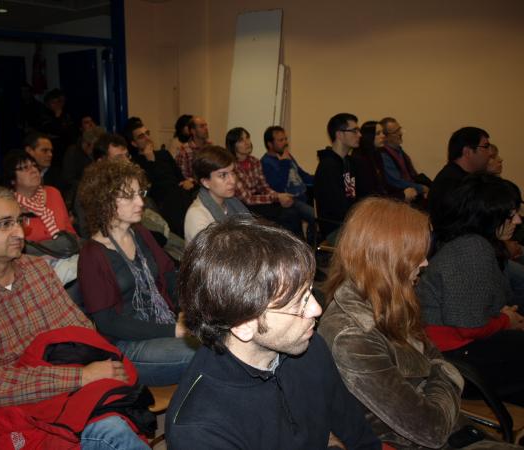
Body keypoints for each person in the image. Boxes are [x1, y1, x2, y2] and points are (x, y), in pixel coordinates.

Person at [0, 185, 149, 449]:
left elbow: (80, 332)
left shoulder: (36, 270)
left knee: (120, 410)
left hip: (56, 389)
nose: (19, 232)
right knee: (108, 430)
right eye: (5, 224)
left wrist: (87, 374)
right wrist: (80, 377)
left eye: (20, 221)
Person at [166, 215, 380, 449]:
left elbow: (358, 433)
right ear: (243, 325)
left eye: (309, 292)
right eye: (298, 302)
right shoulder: (199, 429)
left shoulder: (308, 346)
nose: (316, 309)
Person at [319, 197, 517, 449]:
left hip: (450, 427)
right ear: (387, 258)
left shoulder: (388, 301)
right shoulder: (351, 337)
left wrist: (439, 376)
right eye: (416, 254)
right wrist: (447, 377)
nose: (425, 263)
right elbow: (431, 430)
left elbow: (434, 357)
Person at [77, 159, 195, 386]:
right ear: (106, 201)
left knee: (216, 341)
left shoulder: (139, 233)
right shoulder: (92, 255)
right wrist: (174, 330)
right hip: (126, 345)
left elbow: (170, 277)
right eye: (129, 196)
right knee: (202, 354)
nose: (141, 202)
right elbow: (108, 323)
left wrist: (186, 311)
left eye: (140, 193)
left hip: (163, 327)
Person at [417, 174, 524, 406]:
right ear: (489, 216)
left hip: (453, 352)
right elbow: (468, 326)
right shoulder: (472, 250)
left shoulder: (468, 243)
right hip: (453, 361)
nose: (517, 220)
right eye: (511, 214)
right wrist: (506, 320)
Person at [225, 127, 302, 236]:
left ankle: (299, 247)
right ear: (233, 145)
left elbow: (264, 187)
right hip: (241, 206)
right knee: (286, 215)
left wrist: (279, 196)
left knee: (292, 211)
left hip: (257, 201)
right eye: (241, 140)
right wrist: (276, 197)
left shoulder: (254, 161)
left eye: (247, 138)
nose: (247, 142)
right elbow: (247, 199)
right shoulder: (231, 166)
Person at [124, 117, 193, 237]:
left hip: (179, 194)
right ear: (134, 143)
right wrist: (151, 161)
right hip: (161, 201)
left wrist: (188, 182)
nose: (147, 138)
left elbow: (179, 177)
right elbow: (152, 187)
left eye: (147, 133)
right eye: (141, 136)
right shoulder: (134, 163)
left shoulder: (164, 154)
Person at [3, 150, 76, 243]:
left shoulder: (53, 193)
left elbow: (69, 230)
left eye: (34, 165)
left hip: (65, 252)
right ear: (12, 179)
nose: (34, 170)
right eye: (25, 168)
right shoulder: (7, 204)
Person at [427, 126, 491, 229]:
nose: (490, 153)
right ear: (467, 152)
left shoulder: (463, 177)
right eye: (486, 146)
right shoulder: (453, 183)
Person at [261, 125, 316, 244]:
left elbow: (302, 174)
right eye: (281, 140)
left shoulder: (287, 156)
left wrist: (319, 179)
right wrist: (284, 163)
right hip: (291, 200)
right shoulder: (266, 162)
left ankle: (313, 243)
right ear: (270, 144)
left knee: (322, 213)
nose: (285, 143)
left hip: (303, 195)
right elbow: (277, 185)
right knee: (315, 216)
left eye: (285, 139)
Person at [184, 145, 248, 242]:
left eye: (233, 172)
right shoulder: (197, 216)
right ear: (205, 182)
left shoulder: (231, 202)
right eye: (223, 175)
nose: (232, 181)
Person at [314, 113, 359, 243]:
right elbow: (337, 208)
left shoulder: (348, 162)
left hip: (351, 224)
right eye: (354, 131)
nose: (359, 135)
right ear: (339, 134)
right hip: (336, 228)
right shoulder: (328, 167)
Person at [352, 121, 415, 201]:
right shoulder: (360, 160)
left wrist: (405, 191)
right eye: (378, 133)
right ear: (369, 137)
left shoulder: (377, 155)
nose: (383, 136)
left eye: (382, 132)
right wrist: (402, 195)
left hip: (382, 200)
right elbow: (371, 195)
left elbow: (384, 186)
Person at [379, 117, 429, 200]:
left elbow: (413, 175)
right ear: (386, 137)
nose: (400, 133)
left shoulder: (399, 151)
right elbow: (396, 182)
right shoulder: (383, 155)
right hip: (401, 197)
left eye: (399, 129)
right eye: (395, 132)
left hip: (413, 191)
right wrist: (422, 188)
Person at [175, 115, 209, 180]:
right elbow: (182, 177)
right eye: (202, 126)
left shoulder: (210, 146)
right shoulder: (184, 150)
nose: (206, 128)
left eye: (206, 125)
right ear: (193, 131)